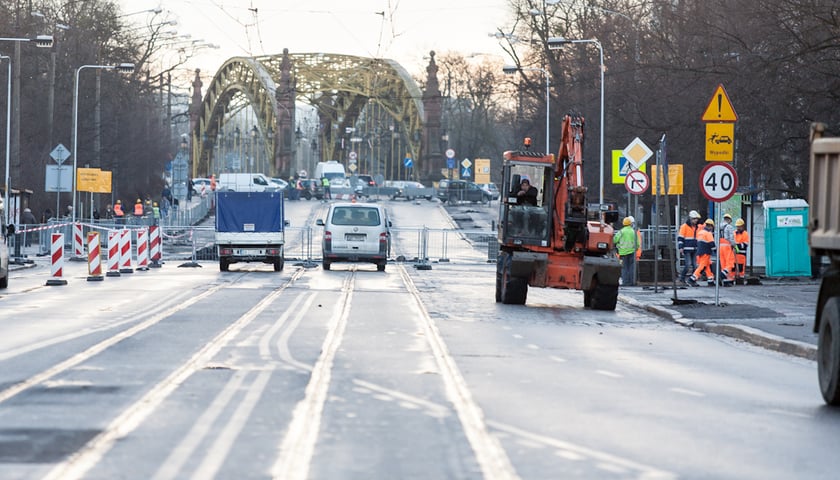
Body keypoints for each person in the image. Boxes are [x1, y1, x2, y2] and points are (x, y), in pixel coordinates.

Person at [689, 219, 717, 286]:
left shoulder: (700, 232)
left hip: (700, 252)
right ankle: (692, 279)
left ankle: (710, 280)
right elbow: (711, 244)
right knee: (702, 266)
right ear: (710, 226)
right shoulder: (708, 233)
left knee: (707, 266)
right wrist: (716, 251)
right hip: (706, 252)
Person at [677, 210, 701, 285]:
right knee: (688, 264)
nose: (696, 220)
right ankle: (682, 278)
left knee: (694, 265)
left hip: (695, 248)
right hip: (687, 249)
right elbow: (680, 237)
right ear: (690, 219)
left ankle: (693, 280)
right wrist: (681, 247)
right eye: (694, 219)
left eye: (696, 219)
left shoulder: (697, 227)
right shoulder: (684, 227)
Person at [614, 216, 639, 286]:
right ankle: (632, 282)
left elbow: (615, 240)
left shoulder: (621, 232)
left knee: (624, 268)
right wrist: (636, 248)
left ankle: (625, 282)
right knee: (632, 267)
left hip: (623, 254)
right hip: (632, 252)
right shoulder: (633, 232)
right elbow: (637, 243)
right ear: (630, 224)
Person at [719, 213, 736, 286]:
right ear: (729, 220)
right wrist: (734, 245)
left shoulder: (719, 227)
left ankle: (725, 281)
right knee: (730, 263)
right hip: (727, 246)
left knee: (723, 264)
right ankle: (722, 275)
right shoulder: (729, 227)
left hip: (720, 246)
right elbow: (731, 237)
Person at [734, 218, 750, 283]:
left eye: (739, 226)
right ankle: (733, 279)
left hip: (741, 255)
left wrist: (737, 245)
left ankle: (740, 280)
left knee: (741, 268)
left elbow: (745, 244)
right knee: (733, 268)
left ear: (742, 226)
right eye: (737, 226)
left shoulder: (745, 234)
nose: (738, 228)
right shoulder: (734, 233)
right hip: (734, 254)